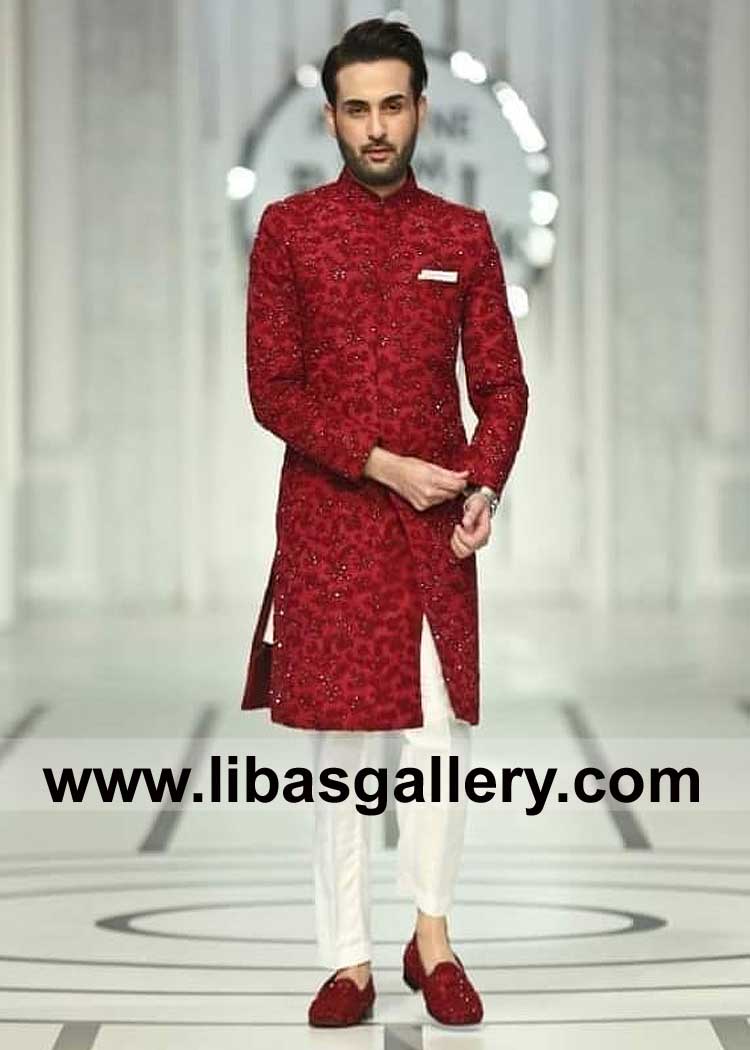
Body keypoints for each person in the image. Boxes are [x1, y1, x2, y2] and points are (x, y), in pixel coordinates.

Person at [241, 17, 529, 1028]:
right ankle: (348, 960)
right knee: (340, 749)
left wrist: (482, 485)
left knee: (439, 737)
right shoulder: (288, 231)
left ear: (420, 110)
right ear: (330, 118)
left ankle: (433, 939)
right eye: (357, 109)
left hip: (436, 528)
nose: (376, 127)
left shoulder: (462, 236)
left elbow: (502, 385)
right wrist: (379, 464)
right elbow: (273, 388)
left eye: (393, 106)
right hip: (328, 522)